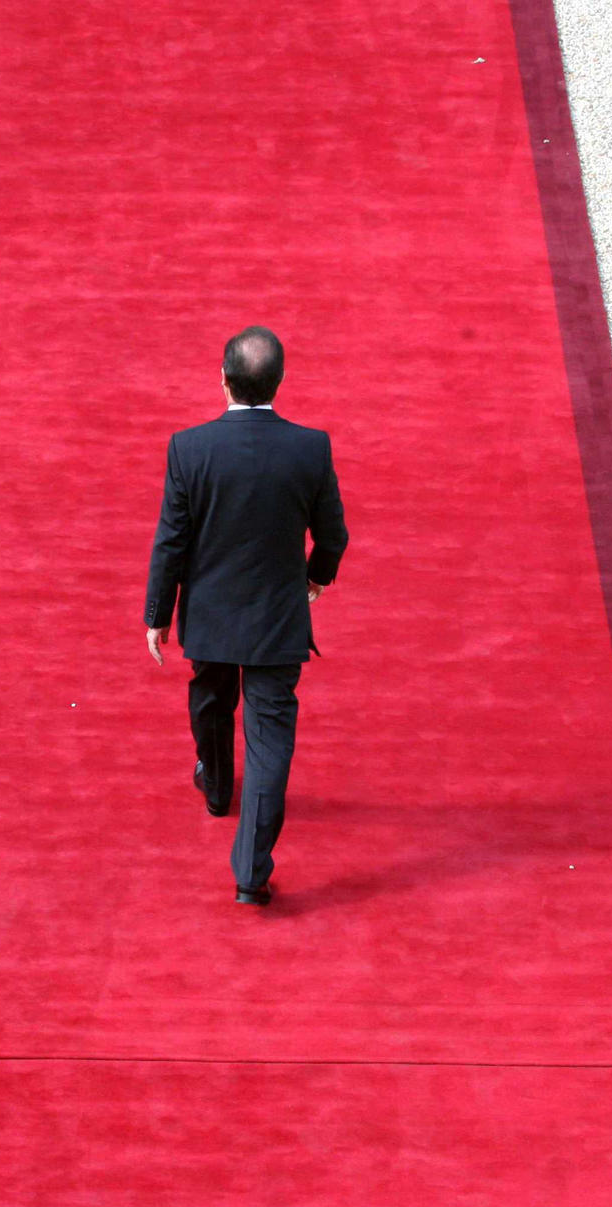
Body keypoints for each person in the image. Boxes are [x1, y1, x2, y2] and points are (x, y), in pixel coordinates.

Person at [142, 326, 349, 905]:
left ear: (223, 377)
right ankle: (251, 872)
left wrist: (158, 612)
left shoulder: (189, 447)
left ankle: (214, 782)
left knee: (209, 700)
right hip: (278, 622)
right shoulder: (310, 448)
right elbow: (334, 534)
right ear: (279, 381)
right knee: (270, 741)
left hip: (208, 616)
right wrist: (317, 575)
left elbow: (171, 540)